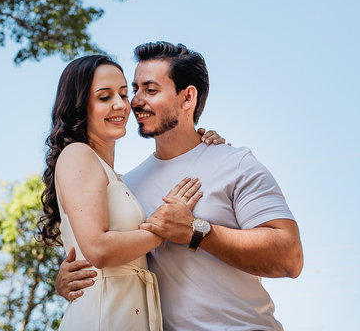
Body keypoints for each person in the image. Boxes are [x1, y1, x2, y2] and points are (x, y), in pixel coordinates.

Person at [54, 42, 303, 331]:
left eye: (150, 90)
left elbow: (290, 257)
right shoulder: (127, 186)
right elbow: (105, 251)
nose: (134, 101)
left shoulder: (233, 163)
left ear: (187, 98)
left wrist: (196, 231)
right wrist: (67, 277)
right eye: (134, 89)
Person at [39, 54, 225, 331]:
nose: (121, 104)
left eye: (124, 94)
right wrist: (166, 228)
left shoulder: (124, 181)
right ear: (79, 106)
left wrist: (202, 144)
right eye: (104, 97)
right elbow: (98, 250)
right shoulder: (78, 154)